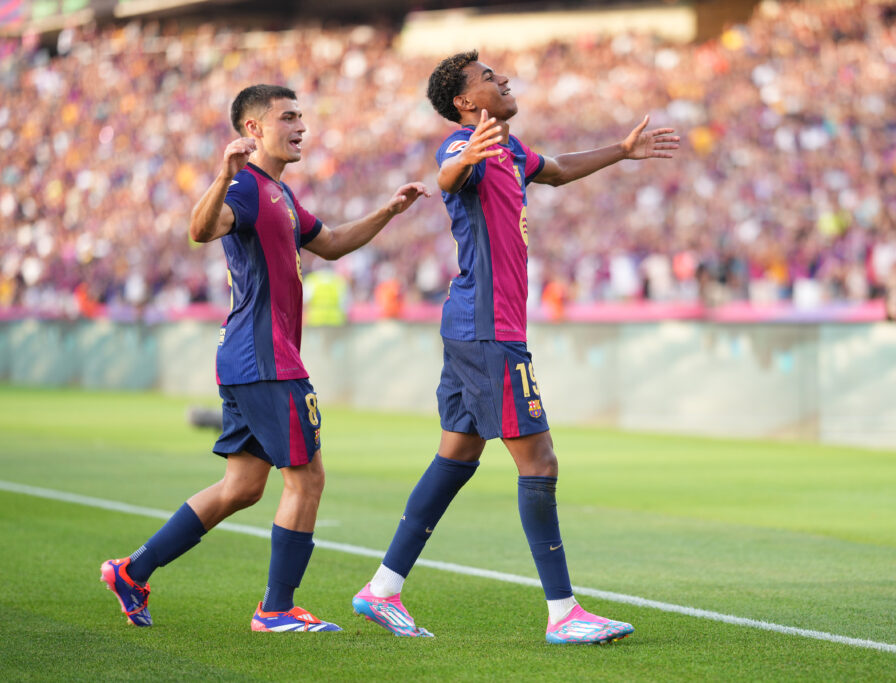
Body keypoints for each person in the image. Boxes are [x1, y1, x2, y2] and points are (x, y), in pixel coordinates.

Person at [351, 51, 679, 644]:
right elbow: (450, 171)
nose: (503, 81)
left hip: (474, 327)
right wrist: (464, 158)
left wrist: (621, 151)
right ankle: (564, 613)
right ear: (466, 102)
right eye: (488, 78)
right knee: (540, 461)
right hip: (488, 331)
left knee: (456, 458)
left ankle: (381, 589)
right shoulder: (463, 147)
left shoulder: (511, 148)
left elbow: (553, 169)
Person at [101, 84, 429, 632]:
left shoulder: (281, 193)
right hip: (265, 359)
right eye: (288, 117)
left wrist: (390, 211)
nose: (300, 125)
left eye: (302, 115)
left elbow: (332, 243)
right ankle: (276, 608)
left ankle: (132, 572)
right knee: (307, 479)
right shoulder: (248, 188)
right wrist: (225, 174)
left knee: (243, 487)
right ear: (254, 129)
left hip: (251, 359)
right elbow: (200, 230)